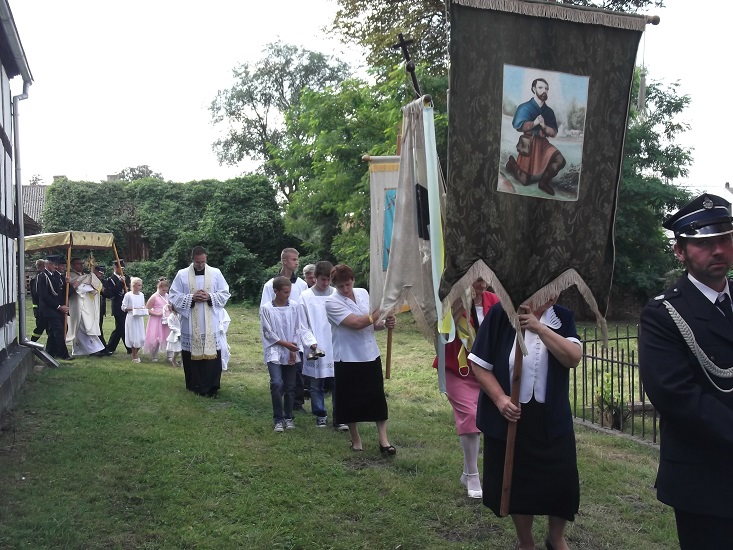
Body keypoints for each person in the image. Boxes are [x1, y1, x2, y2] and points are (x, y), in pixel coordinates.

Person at [639, 193, 733, 549]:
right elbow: (676, 396)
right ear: (680, 251)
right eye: (704, 243)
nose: (718, 250)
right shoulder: (664, 314)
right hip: (705, 481)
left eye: (725, 239)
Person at [469, 297, 581, 550]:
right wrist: (500, 399)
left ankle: (556, 538)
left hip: (551, 419)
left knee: (562, 483)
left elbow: (573, 358)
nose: (553, 293)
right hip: (512, 416)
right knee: (518, 486)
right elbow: (479, 364)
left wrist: (539, 327)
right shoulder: (502, 314)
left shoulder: (562, 317)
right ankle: (526, 542)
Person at [433, 277, 499, 499]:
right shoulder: (453, 300)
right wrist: (459, 305)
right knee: (470, 417)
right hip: (457, 368)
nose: (483, 285)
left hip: (487, 371)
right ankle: (473, 475)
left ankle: (466, 471)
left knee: (484, 419)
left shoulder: (495, 301)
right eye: (478, 280)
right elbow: (442, 330)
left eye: (486, 280)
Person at [325, 264, 397, 454]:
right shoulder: (331, 302)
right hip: (347, 357)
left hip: (370, 354)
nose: (345, 289)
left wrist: (386, 323)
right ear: (334, 285)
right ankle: (356, 440)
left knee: (377, 397)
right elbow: (357, 323)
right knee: (350, 400)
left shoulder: (363, 293)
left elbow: (373, 324)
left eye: (348, 284)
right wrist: (383, 307)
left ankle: (384, 440)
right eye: (340, 286)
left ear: (353, 280)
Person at [169, 246, 231, 397]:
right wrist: (191, 298)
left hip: (210, 323)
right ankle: (194, 385)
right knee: (191, 354)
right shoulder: (182, 274)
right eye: (197, 262)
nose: (201, 265)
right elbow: (174, 296)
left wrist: (210, 297)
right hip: (190, 323)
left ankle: (212, 387)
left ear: (206, 258)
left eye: (203, 261)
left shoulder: (216, 273)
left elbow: (224, 293)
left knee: (212, 355)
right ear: (192, 259)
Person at [260, 276, 311, 432]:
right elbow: (268, 333)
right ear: (275, 291)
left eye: (289, 292)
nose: (288, 295)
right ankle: (278, 418)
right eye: (285, 292)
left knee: (290, 385)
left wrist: (293, 349)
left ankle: (288, 416)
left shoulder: (294, 306)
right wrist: (286, 345)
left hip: (291, 350)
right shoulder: (266, 308)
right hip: (274, 350)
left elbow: (297, 328)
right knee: (277, 383)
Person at [505, 77, 567, 196]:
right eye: (540, 87)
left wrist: (544, 126)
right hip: (529, 142)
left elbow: (553, 132)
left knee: (560, 160)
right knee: (524, 181)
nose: (544, 91)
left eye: (546, 89)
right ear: (534, 89)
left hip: (543, 143)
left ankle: (543, 182)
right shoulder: (524, 107)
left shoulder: (549, 111)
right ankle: (512, 163)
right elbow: (517, 125)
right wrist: (534, 123)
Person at [298, 261, 338, 428]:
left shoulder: (336, 294)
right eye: (323, 279)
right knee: (316, 383)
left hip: (335, 343)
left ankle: (339, 416)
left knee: (337, 382)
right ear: (315, 278)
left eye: (329, 280)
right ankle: (320, 413)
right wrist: (310, 341)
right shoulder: (305, 296)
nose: (326, 283)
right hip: (316, 344)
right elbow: (302, 324)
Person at [66, 257, 105, 357]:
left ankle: (90, 349)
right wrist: (87, 286)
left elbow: (94, 284)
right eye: (78, 264)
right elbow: (78, 288)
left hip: (87, 304)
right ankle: (92, 350)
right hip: (78, 304)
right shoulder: (71, 275)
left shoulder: (85, 275)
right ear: (73, 265)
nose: (81, 265)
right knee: (82, 325)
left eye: (81, 263)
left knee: (89, 324)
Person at [36, 255, 72, 361]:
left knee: (55, 332)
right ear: (48, 264)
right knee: (59, 331)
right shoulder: (42, 277)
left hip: (58, 308)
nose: (56, 267)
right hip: (49, 309)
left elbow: (61, 293)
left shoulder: (55, 276)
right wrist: (58, 307)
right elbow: (44, 296)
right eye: (54, 264)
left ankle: (50, 352)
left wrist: (67, 283)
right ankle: (63, 354)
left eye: (56, 265)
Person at [103, 259, 131, 355]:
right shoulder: (110, 280)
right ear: (115, 268)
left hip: (126, 305)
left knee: (119, 329)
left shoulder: (126, 278)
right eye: (120, 268)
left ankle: (110, 347)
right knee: (123, 327)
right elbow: (111, 293)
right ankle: (129, 348)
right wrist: (120, 282)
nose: (122, 270)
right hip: (118, 306)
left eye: (123, 268)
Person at [143, 277, 171, 362]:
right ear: (158, 287)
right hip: (156, 320)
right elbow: (147, 309)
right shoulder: (154, 296)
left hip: (166, 319)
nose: (165, 292)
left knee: (168, 336)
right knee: (156, 336)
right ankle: (154, 355)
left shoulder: (167, 296)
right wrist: (156, 313)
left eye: (166, 290)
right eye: (163, 290)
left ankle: (170, 355)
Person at [122, 277, 147, 363]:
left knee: (141, 337)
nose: (140, 287)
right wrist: (133, 309)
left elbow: (143, 305)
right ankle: (134, 355)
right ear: (133, 286)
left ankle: (135, 352)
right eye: (138, 285)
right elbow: (123, 307)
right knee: (133, 337)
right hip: (131, 318)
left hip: (139, 318)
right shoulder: (128, 295)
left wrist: (143, 309)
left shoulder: (142, 295)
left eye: (141, 285)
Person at [29, 259, 49, 343]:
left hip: (41, 307)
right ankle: (32, 342)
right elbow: (37, 294)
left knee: (45, 327)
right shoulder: (37, 278)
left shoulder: (40, 277)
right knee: (40, 327)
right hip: (40, 308)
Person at [166, 303, 182, 368]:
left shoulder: (181, 315)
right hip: (175, 334)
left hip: (182, 333)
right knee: (177, 350)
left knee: (183, 350)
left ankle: (183, 363)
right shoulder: (171, 316)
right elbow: (171, 326)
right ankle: (174, 359)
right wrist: (178, 332)